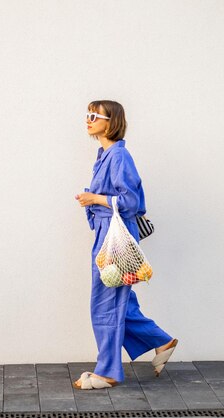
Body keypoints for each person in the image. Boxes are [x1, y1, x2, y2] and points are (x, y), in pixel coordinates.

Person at [73, 100, 178, 390]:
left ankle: (108, 372)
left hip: (114, 238)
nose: (89, 119)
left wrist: (95, 199)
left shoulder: (119, 157)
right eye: (87, 114)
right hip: (107, 235)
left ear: (112, 121)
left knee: (105, 303)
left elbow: (131, 202)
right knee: (121, 300)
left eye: (95, 115)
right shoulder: (105, 155)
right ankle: (161, 340)